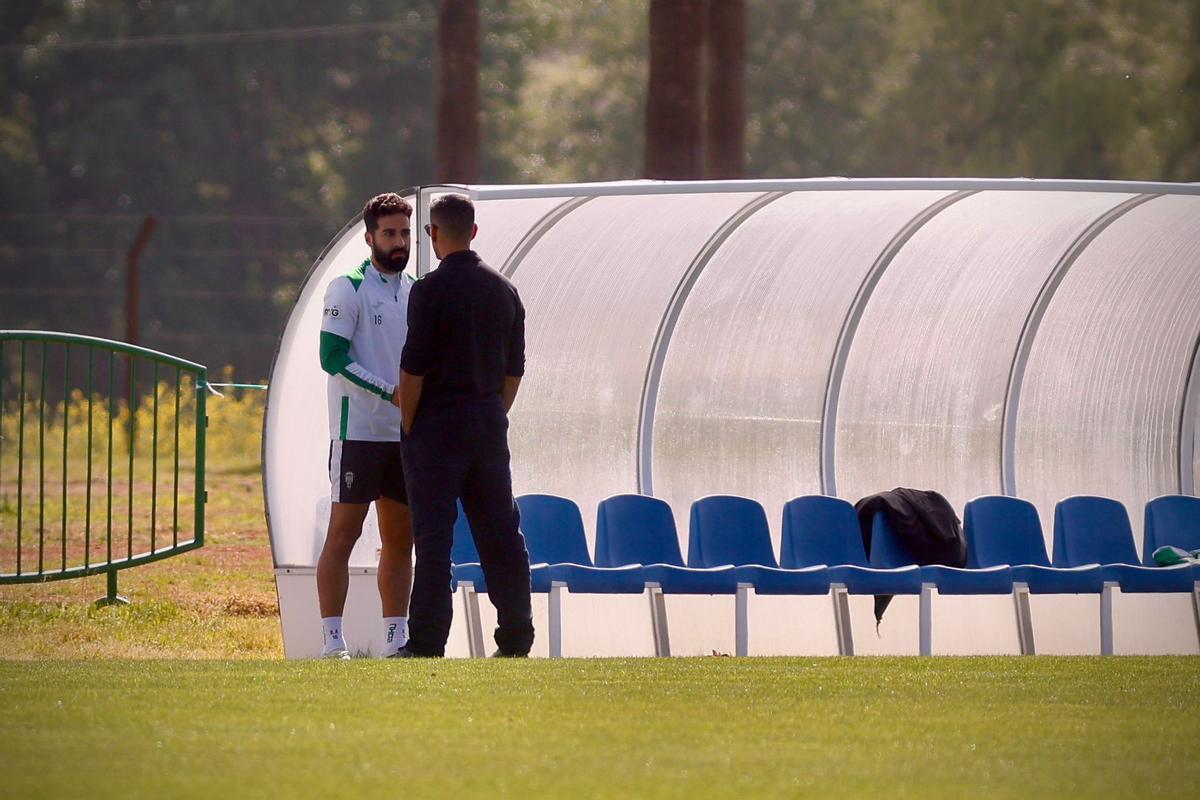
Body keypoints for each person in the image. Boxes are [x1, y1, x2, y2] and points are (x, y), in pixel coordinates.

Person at [391, 193, 534, 657]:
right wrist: (492, 412)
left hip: (436, 428)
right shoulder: (504, 290)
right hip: (487, 424)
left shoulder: (428, 291)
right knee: (501, 535)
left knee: (434, 541)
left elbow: (413, 371)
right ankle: (516, 638)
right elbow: (514, 373)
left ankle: (428, 642)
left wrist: (410, 427)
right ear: (473, 231)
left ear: (433, 234)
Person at [316, 193, 415, 659]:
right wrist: (389, 390)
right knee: (344, 534)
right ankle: (332, 639)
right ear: (370, 236)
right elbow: (331, 357)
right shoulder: (347, 287)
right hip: (357, 434)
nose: (399, 242)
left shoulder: (416, 290)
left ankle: (397, 637)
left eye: (404, 233)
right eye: (390, 233)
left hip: (403, 436)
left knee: (400, 538)